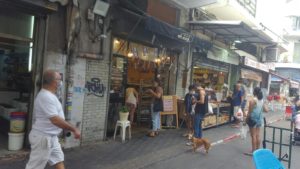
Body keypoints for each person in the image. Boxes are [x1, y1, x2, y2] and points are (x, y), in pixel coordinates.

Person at [26, 70, 81, 169]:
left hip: (52, 137)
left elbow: (57, 118)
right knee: (34, 167)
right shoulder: (46, 96)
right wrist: (74, 129)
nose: (61, 81)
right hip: (43, 138)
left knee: (58, 160)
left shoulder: (50, 96)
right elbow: (55, 120)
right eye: (60, 79)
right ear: (54, 82)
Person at [245, 87, 268, 156]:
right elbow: (266, 110)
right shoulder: (262, 100)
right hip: (259, 120)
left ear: (254, 92)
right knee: (257, 135)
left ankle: (253, 151)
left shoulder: (252, 101)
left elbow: (249, 112)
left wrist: (246, 119)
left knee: (253, 136)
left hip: (253, 120)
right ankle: (257, 150)